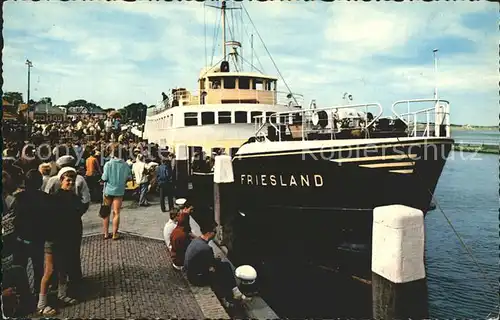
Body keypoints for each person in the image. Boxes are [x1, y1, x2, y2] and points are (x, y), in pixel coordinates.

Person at [38, 168, 82, 316]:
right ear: (61, 180)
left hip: (66, 239)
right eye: (67, 180)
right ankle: (41, 304)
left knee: (63, 268)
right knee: (49, 271)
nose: (70, 182)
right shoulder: (55, 198)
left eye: (72, 180)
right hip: (53, 239)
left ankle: (62, 295)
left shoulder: (74, 197)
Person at [184, 223, 248, 304]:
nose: (215, 234)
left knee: (223, 267)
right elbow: (212, 265)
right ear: (209, 233)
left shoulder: (196, 241)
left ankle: (234, 292)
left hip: (190, 273)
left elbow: (206, 261)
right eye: (214, 232)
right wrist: (217, 261)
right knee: (224, 271)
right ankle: (230, 297)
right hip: (196, 279)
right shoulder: (206, 248)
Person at [12, 170, 52, 300]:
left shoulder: (18, 198)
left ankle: (23, 294)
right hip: (38, 239)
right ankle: (38, 292)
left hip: (21, 239)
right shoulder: (45, 197)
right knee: (38, 267)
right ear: (39, 183)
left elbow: (15, 218)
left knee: (20, 268)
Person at [2, 171, 35, 317]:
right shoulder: (11, 201)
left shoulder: (10, 201)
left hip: (10, 247)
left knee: (18, 272)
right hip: (11, 245)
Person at [101, 146, 132, 240]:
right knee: (116, 212)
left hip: (108, 190)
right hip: (119, 191)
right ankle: (115, 234)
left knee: (106, 212)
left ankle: (106, 234)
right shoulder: (126, 165)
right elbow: (129, 177)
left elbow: (104, 178)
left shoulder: (108, 164)